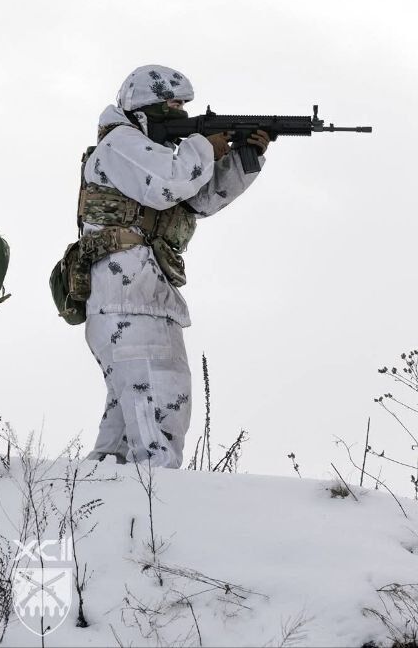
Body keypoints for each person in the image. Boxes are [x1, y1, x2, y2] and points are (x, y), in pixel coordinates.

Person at [72, 65, 270, 468]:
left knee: (123, 441)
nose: (181, 112)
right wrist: (204, 145)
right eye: (174, 104)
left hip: (146, 298)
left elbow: (200, 199)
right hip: (126, 302)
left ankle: (99, 497)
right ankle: (153, 505)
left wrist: (244, 157)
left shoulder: (154, 153)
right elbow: (170, 184)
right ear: (148, 104)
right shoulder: (121, 143)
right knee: (158, 419)